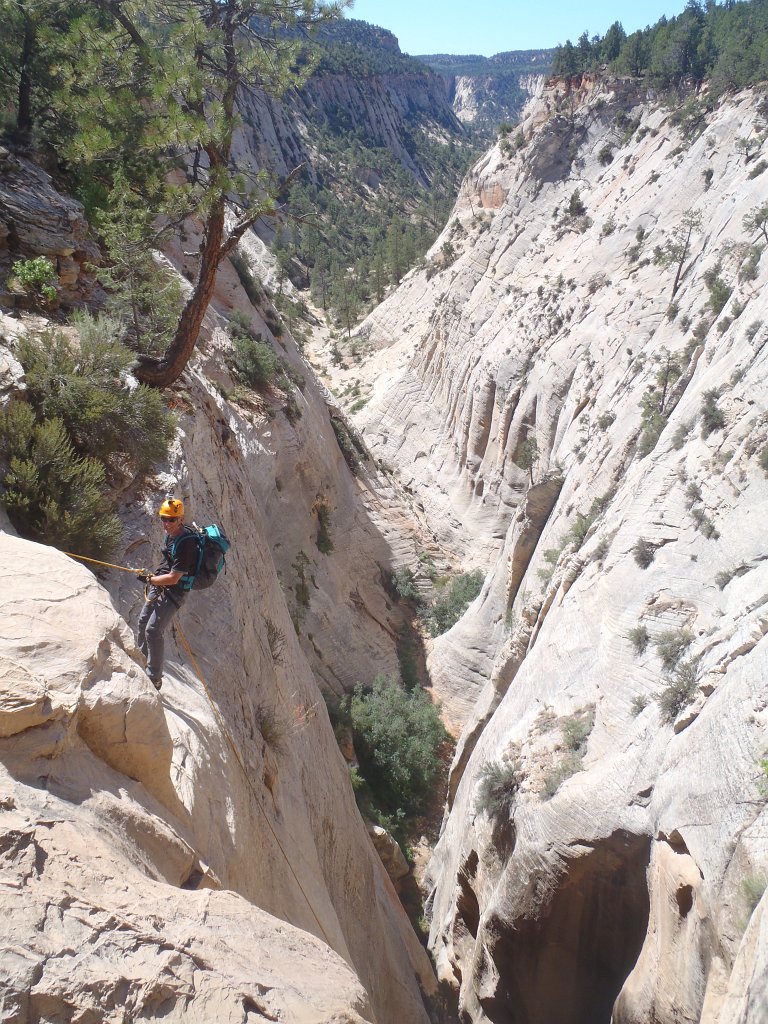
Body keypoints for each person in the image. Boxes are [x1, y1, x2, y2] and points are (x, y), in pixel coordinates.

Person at [137, 498, 198, 690]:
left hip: (175, 592)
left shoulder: (186, 543)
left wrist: (151, 580)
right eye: (164, 519)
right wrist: (154, 577)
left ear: (180, 519)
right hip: (161, 584)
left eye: (171, 520)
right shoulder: (171, 534)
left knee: (153, 630)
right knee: (142, 622)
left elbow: (174, 578)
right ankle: (141, 661)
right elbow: (168, 563)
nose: (166, 523)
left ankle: (154, 678)